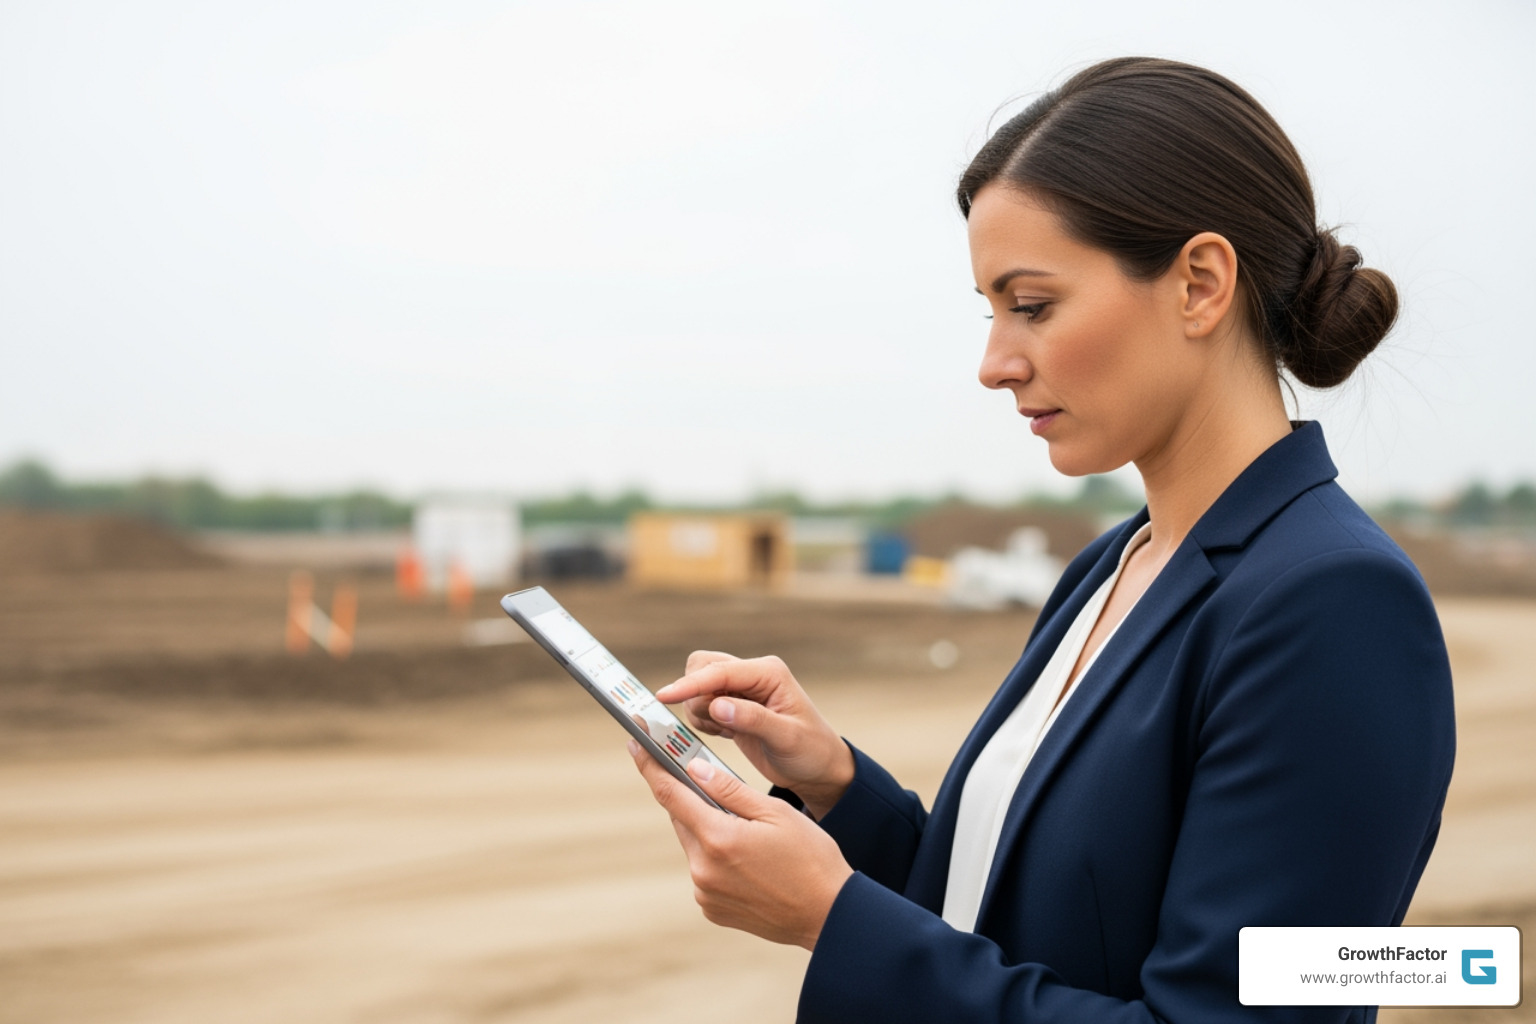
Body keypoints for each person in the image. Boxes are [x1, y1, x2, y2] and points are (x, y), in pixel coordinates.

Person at [628, 57, 1455, 1024]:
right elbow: (1032, 920)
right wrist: (839, 789)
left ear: (1198, 284)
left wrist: (834, 918)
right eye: (991, 313)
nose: (993, 363)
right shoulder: (1113, 566)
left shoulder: (1334, 604)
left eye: (1032, 305)